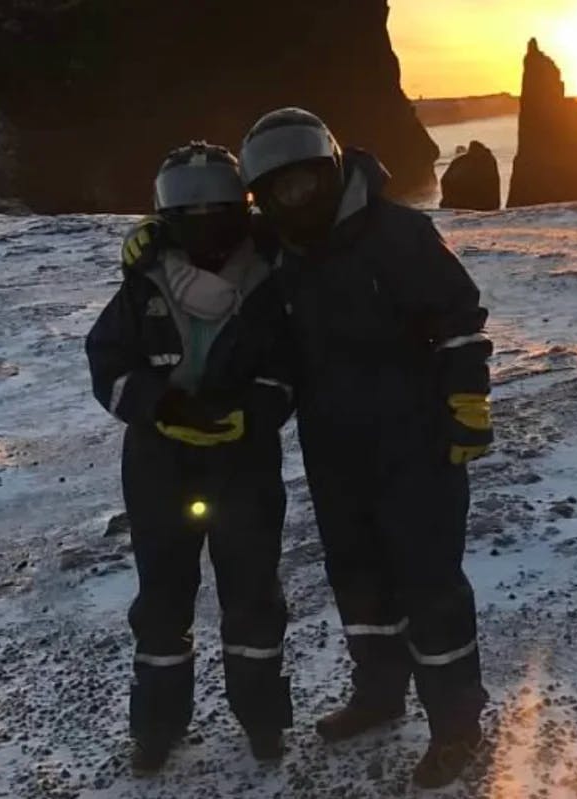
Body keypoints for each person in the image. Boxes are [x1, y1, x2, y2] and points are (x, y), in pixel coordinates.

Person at [238, 108, 494, 788]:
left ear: (329, 171)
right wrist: (151, 240)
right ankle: (379, 694)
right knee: (357, 575)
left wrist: (468, 403)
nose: (295, 200)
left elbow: (460, 319)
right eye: (277, 191)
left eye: (305, 183)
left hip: (417, 439)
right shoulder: (277, 253)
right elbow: (204, 243)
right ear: (261, 197)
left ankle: (458, 723)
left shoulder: (400, 233)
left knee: (430, 583)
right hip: (332, 446)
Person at [85, 142, 294, 772]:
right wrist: (161, 408)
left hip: (244, 461)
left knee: (253, 596)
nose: (204, 225)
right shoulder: (144, 279)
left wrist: (251, 413)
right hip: (158, 462)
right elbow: (107, 363)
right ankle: (156, 726)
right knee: (162, 601)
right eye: (189, 213)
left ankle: (262, 721)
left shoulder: (271, 276)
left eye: (218, 211)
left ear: (241, 208)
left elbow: (289, 365)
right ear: (165, 217)